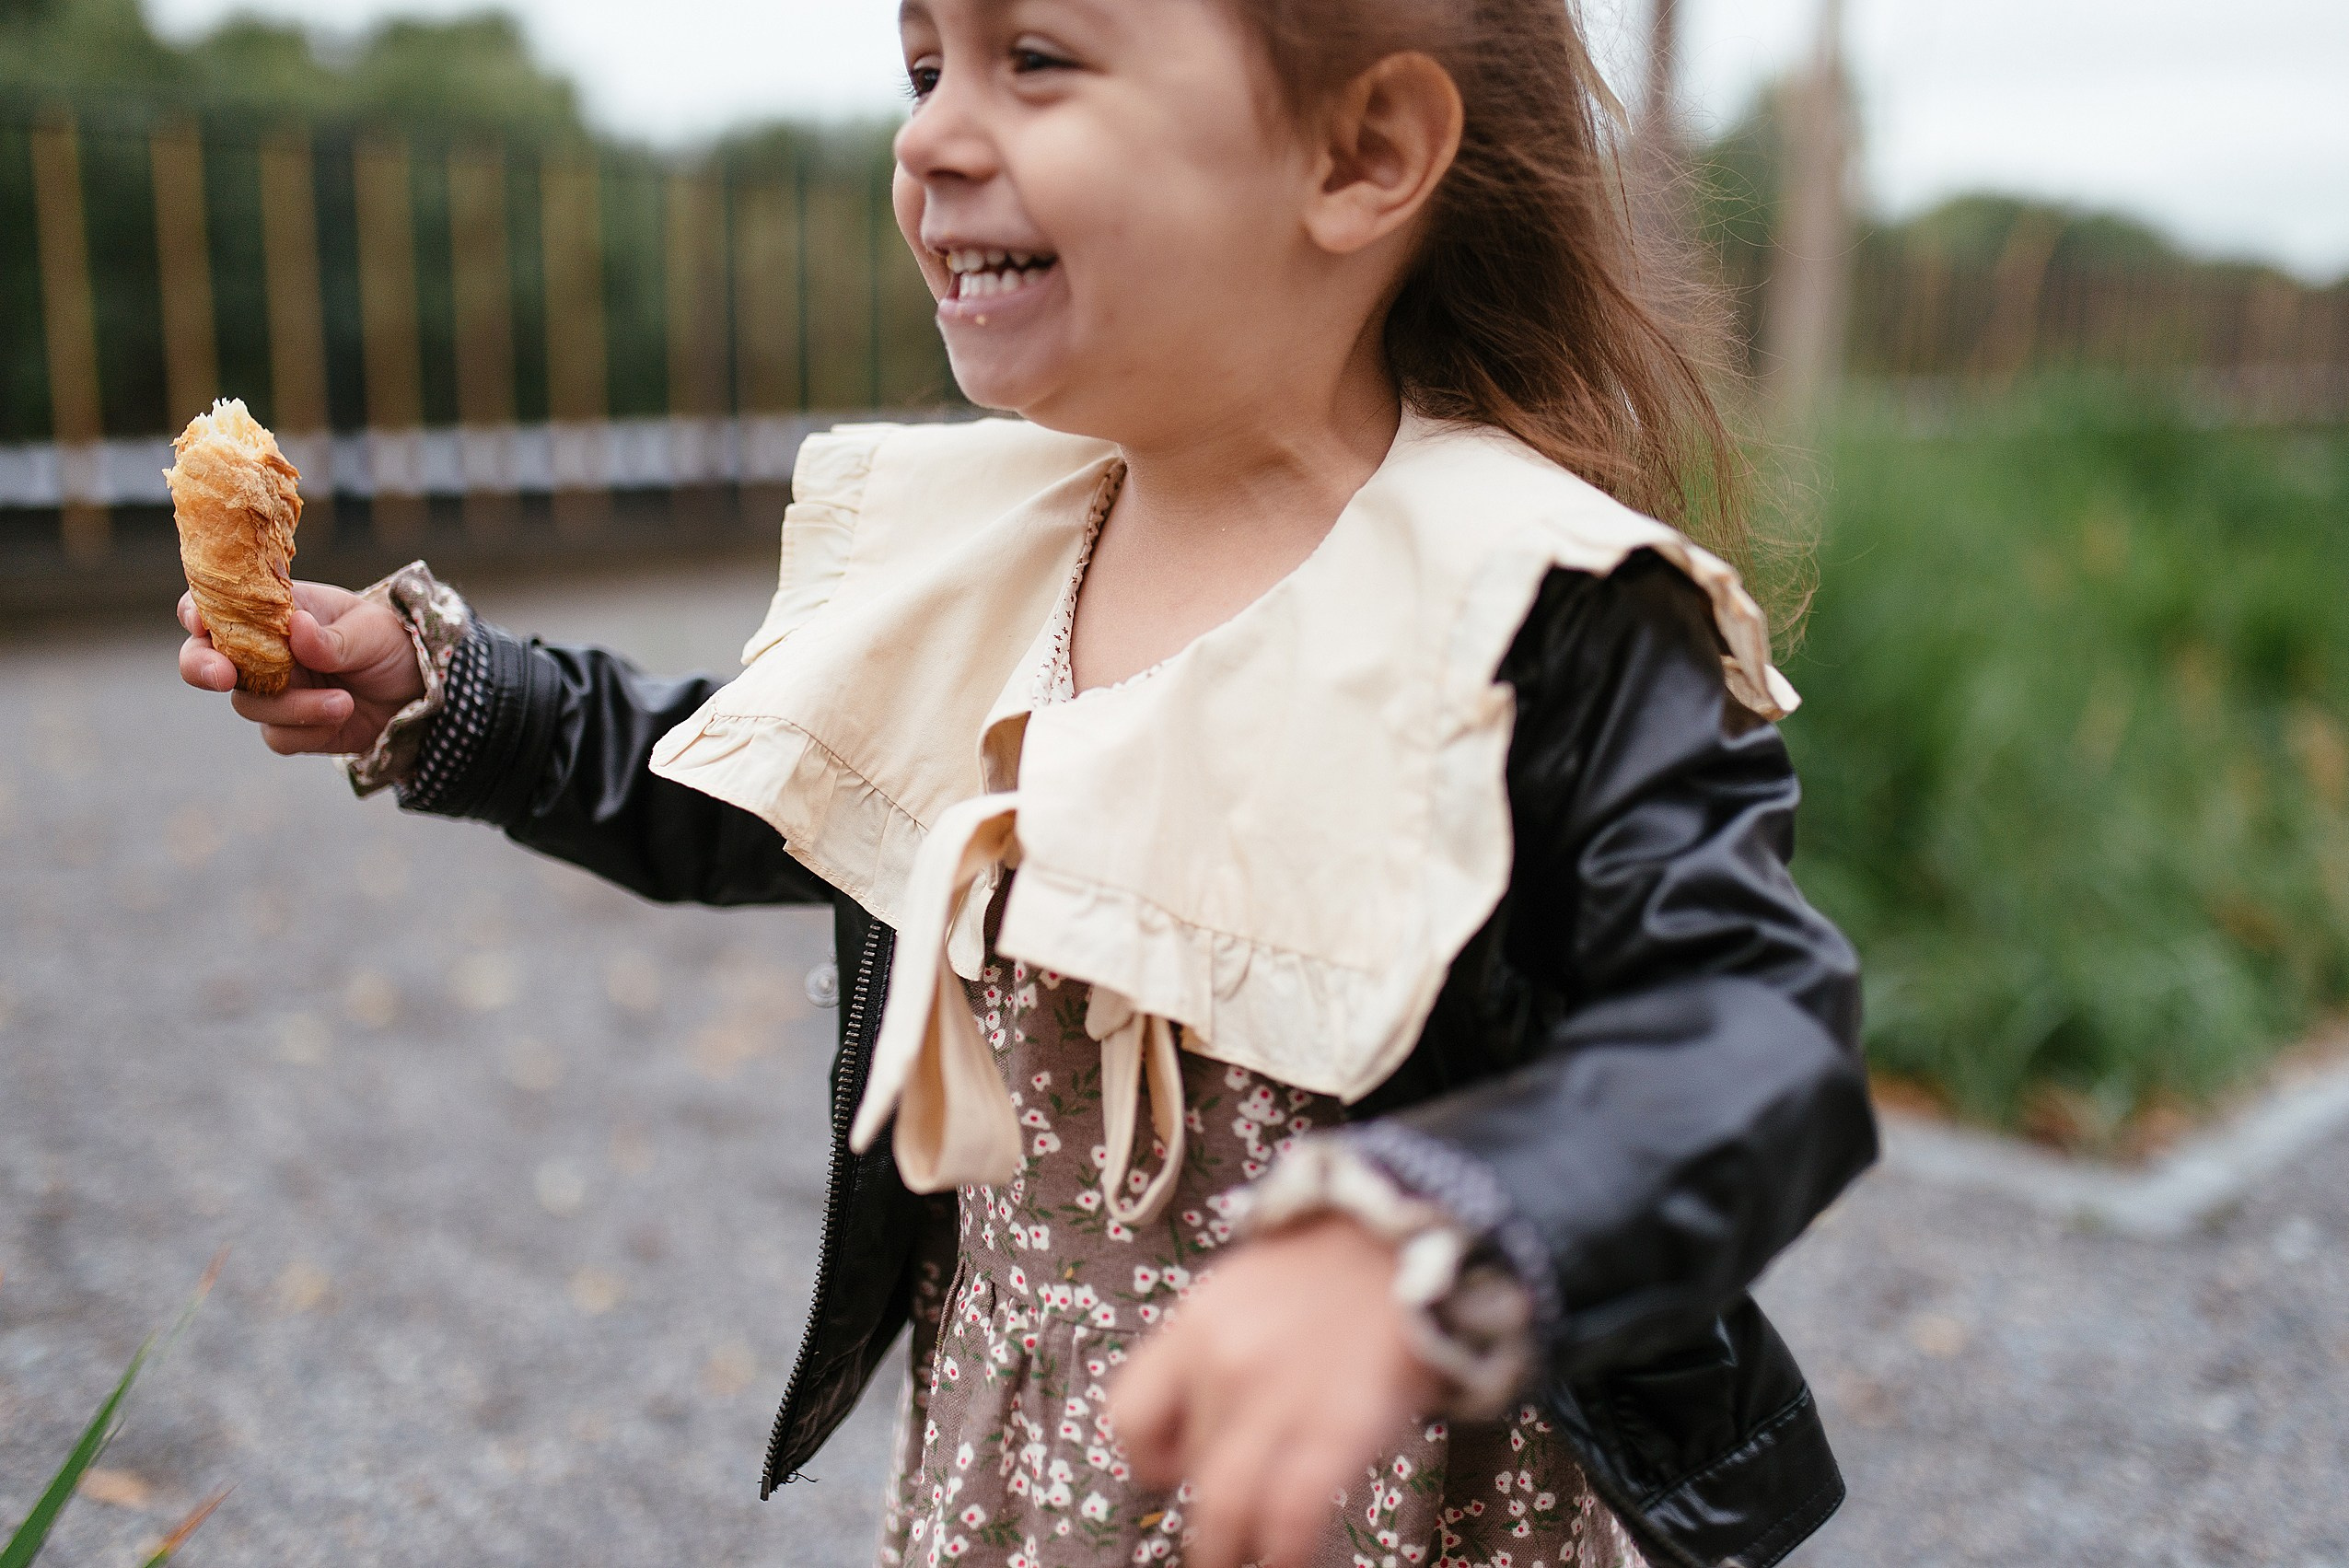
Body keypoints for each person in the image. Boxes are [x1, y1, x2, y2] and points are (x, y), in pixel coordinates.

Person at [177, 0, 1875, 1563]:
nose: (930, 138)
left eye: (1036, 57)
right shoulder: (1003, 556)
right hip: (1020, 1479)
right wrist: (457, 697)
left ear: (1359, 156)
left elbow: (1750, 1027)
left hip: (1381, 1509)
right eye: (926, 67)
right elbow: (754, 782)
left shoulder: (1533, 615)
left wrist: (1432, 1239)